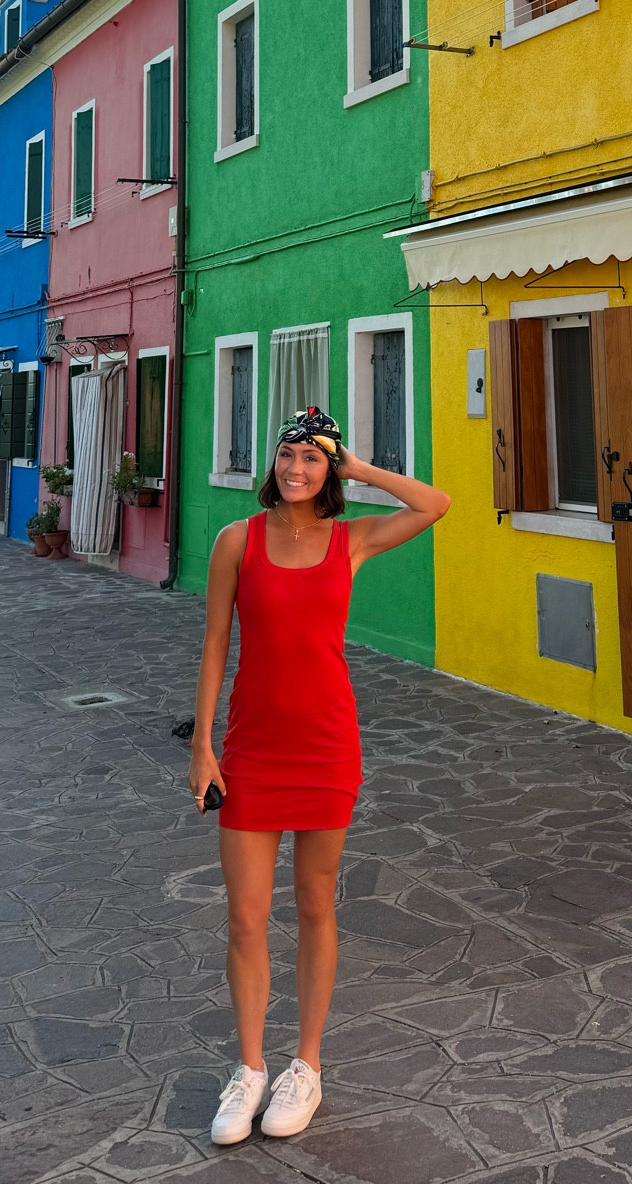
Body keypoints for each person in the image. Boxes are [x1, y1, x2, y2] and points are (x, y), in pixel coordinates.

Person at [188, 406, 450, 1147]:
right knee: (244, 916)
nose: (295, 469)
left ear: (326, 470)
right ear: (272, 465)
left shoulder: (351, 540)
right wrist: (203, 746)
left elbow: (436, 504)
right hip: (252, 748)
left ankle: (307, 1064)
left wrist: (359, 467)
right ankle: (248, 1068)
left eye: (311, 459)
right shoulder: (236, 541)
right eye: (287, 455)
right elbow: (214, 645)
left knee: (314, 908)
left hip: (327, 746)